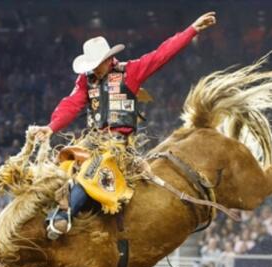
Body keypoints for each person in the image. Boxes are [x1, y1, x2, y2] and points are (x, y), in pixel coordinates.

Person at [33, 12, 218, 238]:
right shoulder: (85, 80)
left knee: (95, 169)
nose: (93, 70)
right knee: (62, 164)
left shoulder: (130, 72)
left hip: (118, 147)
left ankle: (63, 216)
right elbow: (71, 104)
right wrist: (51, 127)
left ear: (108, 60)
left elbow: (162, 54)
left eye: (96, 65)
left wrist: (192, 30)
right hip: (91, 141)